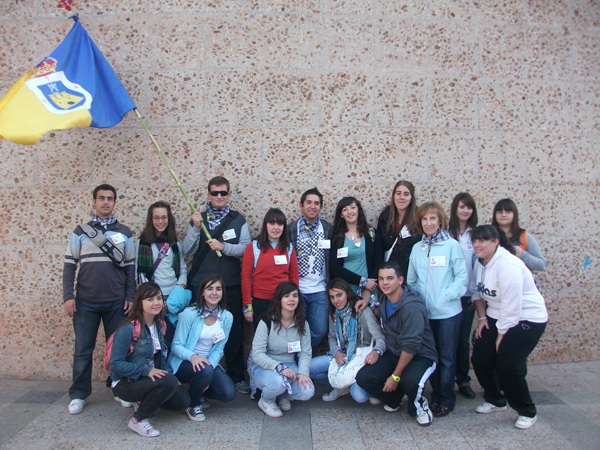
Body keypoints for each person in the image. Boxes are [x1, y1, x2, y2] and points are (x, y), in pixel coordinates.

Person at [63, 184, 135, 414]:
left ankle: (119, 390)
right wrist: (68, 296)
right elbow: (69, 265)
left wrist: (130, 296)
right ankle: (79, 394)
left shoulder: (124, 232)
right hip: (85, 301)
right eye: (101, 198)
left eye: (110, 198)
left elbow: (130, 268)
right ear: (93, 201)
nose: (106, 202)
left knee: (118, 350)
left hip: (116, 301)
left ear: (115, 202)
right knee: (83, 349)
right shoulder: (80, 231)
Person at [470, 225, 548, 430]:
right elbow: (476, 292)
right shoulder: (481, 262)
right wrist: (483, 318)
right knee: (480, 357)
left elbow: (512, 305)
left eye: (482, 240)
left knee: (508, 364)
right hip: (497, 315)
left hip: (527, 318)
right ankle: (496, 400)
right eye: (475, 240)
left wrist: (501, 334)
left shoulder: (508, 264)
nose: (477, 244)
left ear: (495, 241)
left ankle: (527, 411)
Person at [182, 176, 251, 395]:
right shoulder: (198, 218)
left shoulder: (238, 219)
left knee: (234, 332)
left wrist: (224, 246)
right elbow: (187, 250)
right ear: (208, 195)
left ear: (229, 194)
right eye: (214, 193)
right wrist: (194, 228)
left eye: (223, 193)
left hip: (230, 284)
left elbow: (246, 250)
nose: (219, 196)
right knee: (197, 331)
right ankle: (196, 375)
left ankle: (236, 376)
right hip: (200, 284)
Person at [355, 261, 438, 426]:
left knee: (409, 380)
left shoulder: (412, 306)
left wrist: (395, 375)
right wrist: (368, 305)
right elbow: (383, 313)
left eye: (390, 278)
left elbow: (411, 345)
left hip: (420, 355)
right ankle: (397, 398)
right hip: (395, 351)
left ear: (400, 280)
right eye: (381, 279)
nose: (385, 283)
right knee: (364, 377)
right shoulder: (385, 298)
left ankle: (419, 407)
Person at [407, 201, 467, 417]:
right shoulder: (417, 248)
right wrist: (416, 304)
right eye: (424, 219)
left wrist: (445, 298)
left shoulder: (452, 246)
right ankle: (435, 397)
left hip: (447, 314)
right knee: (431, 359)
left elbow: (461, 278)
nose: (428, 222)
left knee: (447, 358)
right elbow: (412, 281)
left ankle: (446, 400)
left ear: (440, 220)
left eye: (432, 218)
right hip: (425, 315)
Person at [109, 282, 190, 437]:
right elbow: (115, 365)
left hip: (149, 379)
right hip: (126, 383)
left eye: (159, 298)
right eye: (150, 299)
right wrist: (146, 370)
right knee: (169, 383)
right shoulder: (128, 328)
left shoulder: (160, 325)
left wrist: (169, 375)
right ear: (140, 302)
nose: (156, 303)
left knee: (183, 401)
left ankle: (143, 400)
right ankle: (138, 420)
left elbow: (161, 357)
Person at [169, 274, 236, 422]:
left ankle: (199, 389)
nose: (214, 293)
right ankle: (193, 403)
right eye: (209, 288)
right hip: (185, 361)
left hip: (208, 363)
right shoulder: (190, 314)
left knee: (228, 393)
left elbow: (219, 349)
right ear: (202, 292)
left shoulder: (227, 317)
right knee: (204, 371)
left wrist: (209, 371)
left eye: (218, 289)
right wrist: (193, 357)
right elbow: (176, 346)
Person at [309, 278, 385, 403]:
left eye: (339, 295)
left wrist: (376, 351)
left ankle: (348, 384)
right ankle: (341, 386)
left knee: (360, 397)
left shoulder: (362, 310)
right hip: (343, 354)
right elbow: (332, 337)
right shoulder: (333, 312)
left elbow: (380, 338)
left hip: (361, 357)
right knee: (310, 368)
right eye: (332, 297)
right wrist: (337, 353)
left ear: (347, 293)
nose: (336, 300)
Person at [248, 281, 314, 417]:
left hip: (290, 366)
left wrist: (302, 372)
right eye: (286, 296)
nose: (291, 299)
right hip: (265, 367)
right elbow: (258, 354)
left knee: (307, 390)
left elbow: (305, 352)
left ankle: (283, 395)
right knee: (278, 382)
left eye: (295, 296)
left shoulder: (302, 324)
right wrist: (279, 367)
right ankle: (267, 400)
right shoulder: (266, 322)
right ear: (279, 299)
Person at [135, 201, 188, 347]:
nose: (160, 221)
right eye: (156, 218)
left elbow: (182, 270)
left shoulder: (175, 244)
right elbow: (140, 274)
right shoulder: (142, 244)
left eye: (164, 217)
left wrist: (178, 291)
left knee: (173, 339)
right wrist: (155, 298)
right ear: (150, 220)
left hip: (174, 299)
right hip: (153, 299)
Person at [288, 187, 333, 348]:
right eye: (309, 203)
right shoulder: (291, 229)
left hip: (320, 291)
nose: (312, 206)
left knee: (320, 331)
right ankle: (300, 365)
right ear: (301, 205)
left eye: (316, 203)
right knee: (294, 331)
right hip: (297, 290)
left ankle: (302, 358)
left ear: (320, 207)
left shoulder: (328, 229)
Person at [241, 208, 299, 328]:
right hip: (260, 302)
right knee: (262, 337)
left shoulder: (289, 248)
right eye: (272, 223)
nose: (276, 228)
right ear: (265, 225)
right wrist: (247, 306)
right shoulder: (253, 247)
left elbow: (294, 277)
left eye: (280, 224)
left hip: (283, 302)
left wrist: (294, 300)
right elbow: (246, 277)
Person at [448, 192, 478, 399]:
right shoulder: (446, 233)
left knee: (463, 341)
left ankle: (463, 380)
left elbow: (479, 267)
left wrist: (476, 296)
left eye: (468, 207)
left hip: (467, 295)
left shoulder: (476, 235)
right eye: (461, 207)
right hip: (449, 296)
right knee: (448, 340)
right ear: (454, 209)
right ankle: (447, 380)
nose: (465, 210)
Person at [330, 197, 377, 307]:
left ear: (358, 210)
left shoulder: (372, 233)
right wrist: (362, 282)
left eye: (352, 207)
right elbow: (336, 269)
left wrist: (369, 287)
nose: (350, 212)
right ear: (341, 215)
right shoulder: (338, 238)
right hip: (347, 292)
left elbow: (378, 261)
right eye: (345, 209)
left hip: (371, 289)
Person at [374, 180, 421, 283]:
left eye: (406, 194)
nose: (401, 197)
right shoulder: (385, 217)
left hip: (411, 276)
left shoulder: (419, 218)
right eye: (398, 193)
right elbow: (379, 248)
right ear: (393, 196)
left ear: (411, 198)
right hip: (389, 276)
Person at [491, 198, 546, 273]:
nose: (503, 215)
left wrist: (522, 254)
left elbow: (541, 265)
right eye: (500, 212)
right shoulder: (489, 236)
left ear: (514, 214)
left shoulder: (525, 237)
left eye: (508, 212)